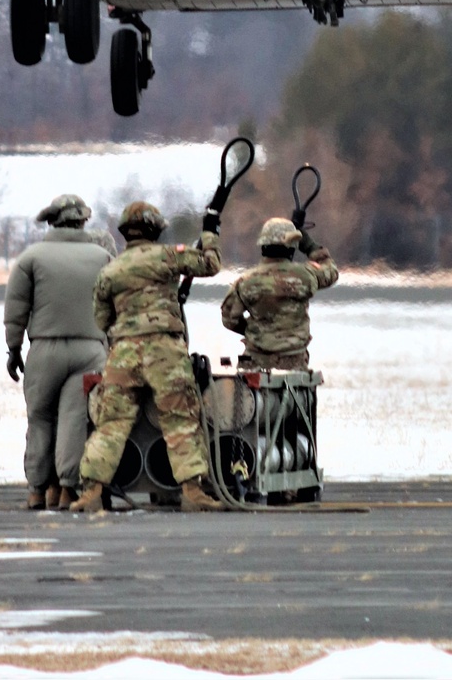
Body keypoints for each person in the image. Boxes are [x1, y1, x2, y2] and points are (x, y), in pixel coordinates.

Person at [71, 200, 224, 514]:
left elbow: (102, 319)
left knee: (111, 424)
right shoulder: (168, 257)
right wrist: (209, 232)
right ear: (156, 230)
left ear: (125, 232)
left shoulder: (110, 270)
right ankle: (193, 491)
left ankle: (91, 493)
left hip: (123, 352)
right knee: (181, 420)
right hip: (164, 352)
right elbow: (210, 265)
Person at [3, 194, 115, 511]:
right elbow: (115, 307)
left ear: (52, 221)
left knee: (40, 419)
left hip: (45, 349)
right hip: (91, 349)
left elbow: (16, 308)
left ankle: (38, 491)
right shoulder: (102, 257)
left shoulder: (31, 258)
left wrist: (14, 348)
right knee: (75, 420)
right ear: (83, 221)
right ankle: (68, 490)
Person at [220, 216, 339, 371]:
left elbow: (229, 318)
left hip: (255, 361)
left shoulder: (245, 281)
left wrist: (259, 331)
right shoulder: (307, 276)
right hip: (294, 361)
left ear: (263, 246)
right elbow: (331, 272)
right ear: (292, 247)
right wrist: (309, 246)